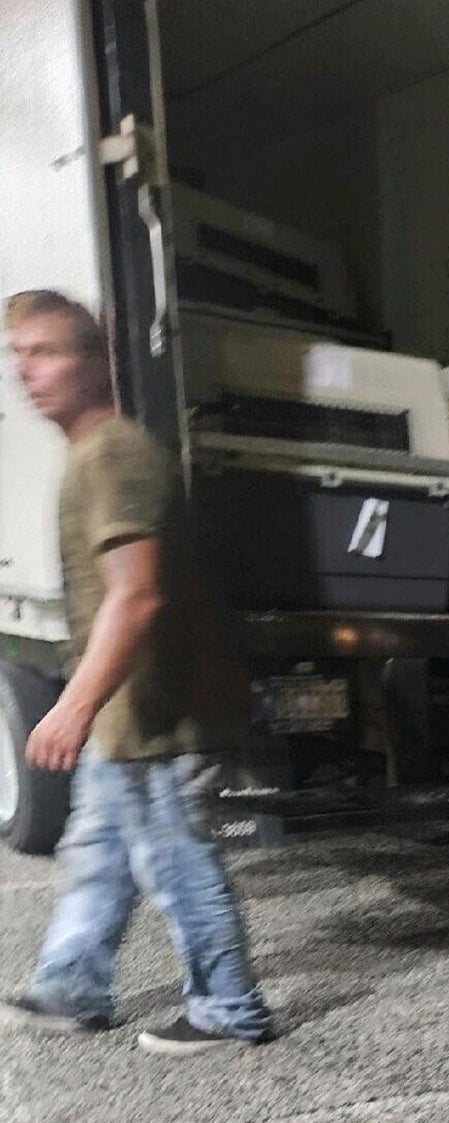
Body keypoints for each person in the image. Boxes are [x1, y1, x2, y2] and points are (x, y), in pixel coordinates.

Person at [0, 290, 272, 1056]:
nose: (27, 371)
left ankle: (229, 1007)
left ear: (94, 365)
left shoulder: (115, 453)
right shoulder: (92, 453)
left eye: (46, 351)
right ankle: (72, 986)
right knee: (98, 852)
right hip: (128, 715)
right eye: (17, 354)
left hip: (158, 713)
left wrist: (71, 706)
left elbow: (137, 593)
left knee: (176, 859)